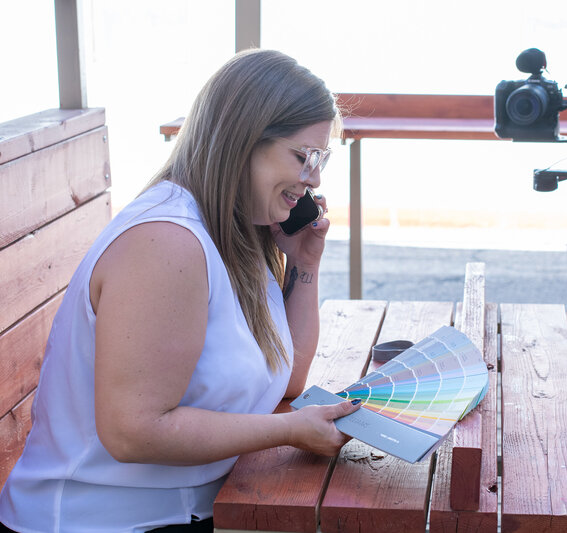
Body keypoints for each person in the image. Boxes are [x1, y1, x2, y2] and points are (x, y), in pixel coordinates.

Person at [0, 49, 361, 533]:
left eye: (323, 159)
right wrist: (289, 430)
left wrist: (304, 266)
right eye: (304, 156)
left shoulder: (239, 230)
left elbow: (288, 378)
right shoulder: (167, 243)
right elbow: (133, 432)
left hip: (186, 508)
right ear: (243, 140)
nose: (314, 177)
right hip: (97, 521)